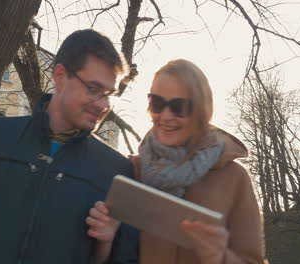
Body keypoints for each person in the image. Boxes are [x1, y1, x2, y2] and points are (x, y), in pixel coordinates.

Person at [0, 29, 138, 264]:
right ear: (60, 76)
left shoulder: (115, 171)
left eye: (109, 94)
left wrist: (106, 245)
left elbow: (125, 259)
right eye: (93, 89)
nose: (103, 104)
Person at [87, 59, 266, 263]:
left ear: (201, 111)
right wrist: (105, 245)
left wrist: (220, 258)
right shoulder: (132, 171)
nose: (165, 116)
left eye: (178, 106)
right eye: (157, 103)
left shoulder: (234, 178)